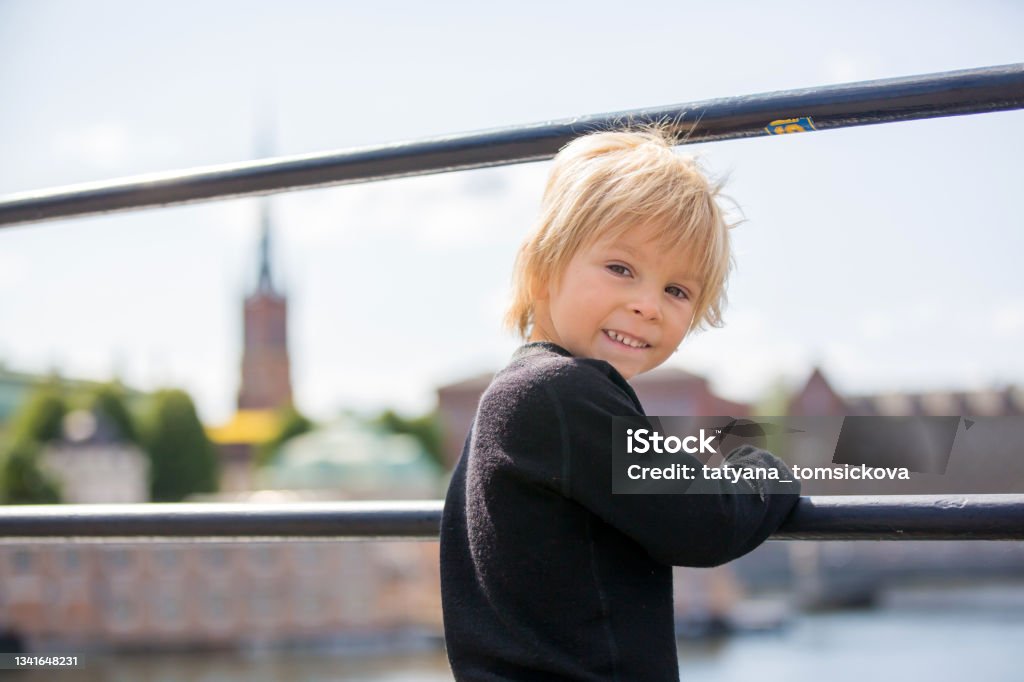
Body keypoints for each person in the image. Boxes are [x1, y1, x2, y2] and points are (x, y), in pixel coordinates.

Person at [439, 126, 801, 681]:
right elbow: (705, 522)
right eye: (621, 269)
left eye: (677, 291)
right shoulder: (563, 396)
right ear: (543, 269)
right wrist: (765, 470)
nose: (647, 306)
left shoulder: (517, 396)